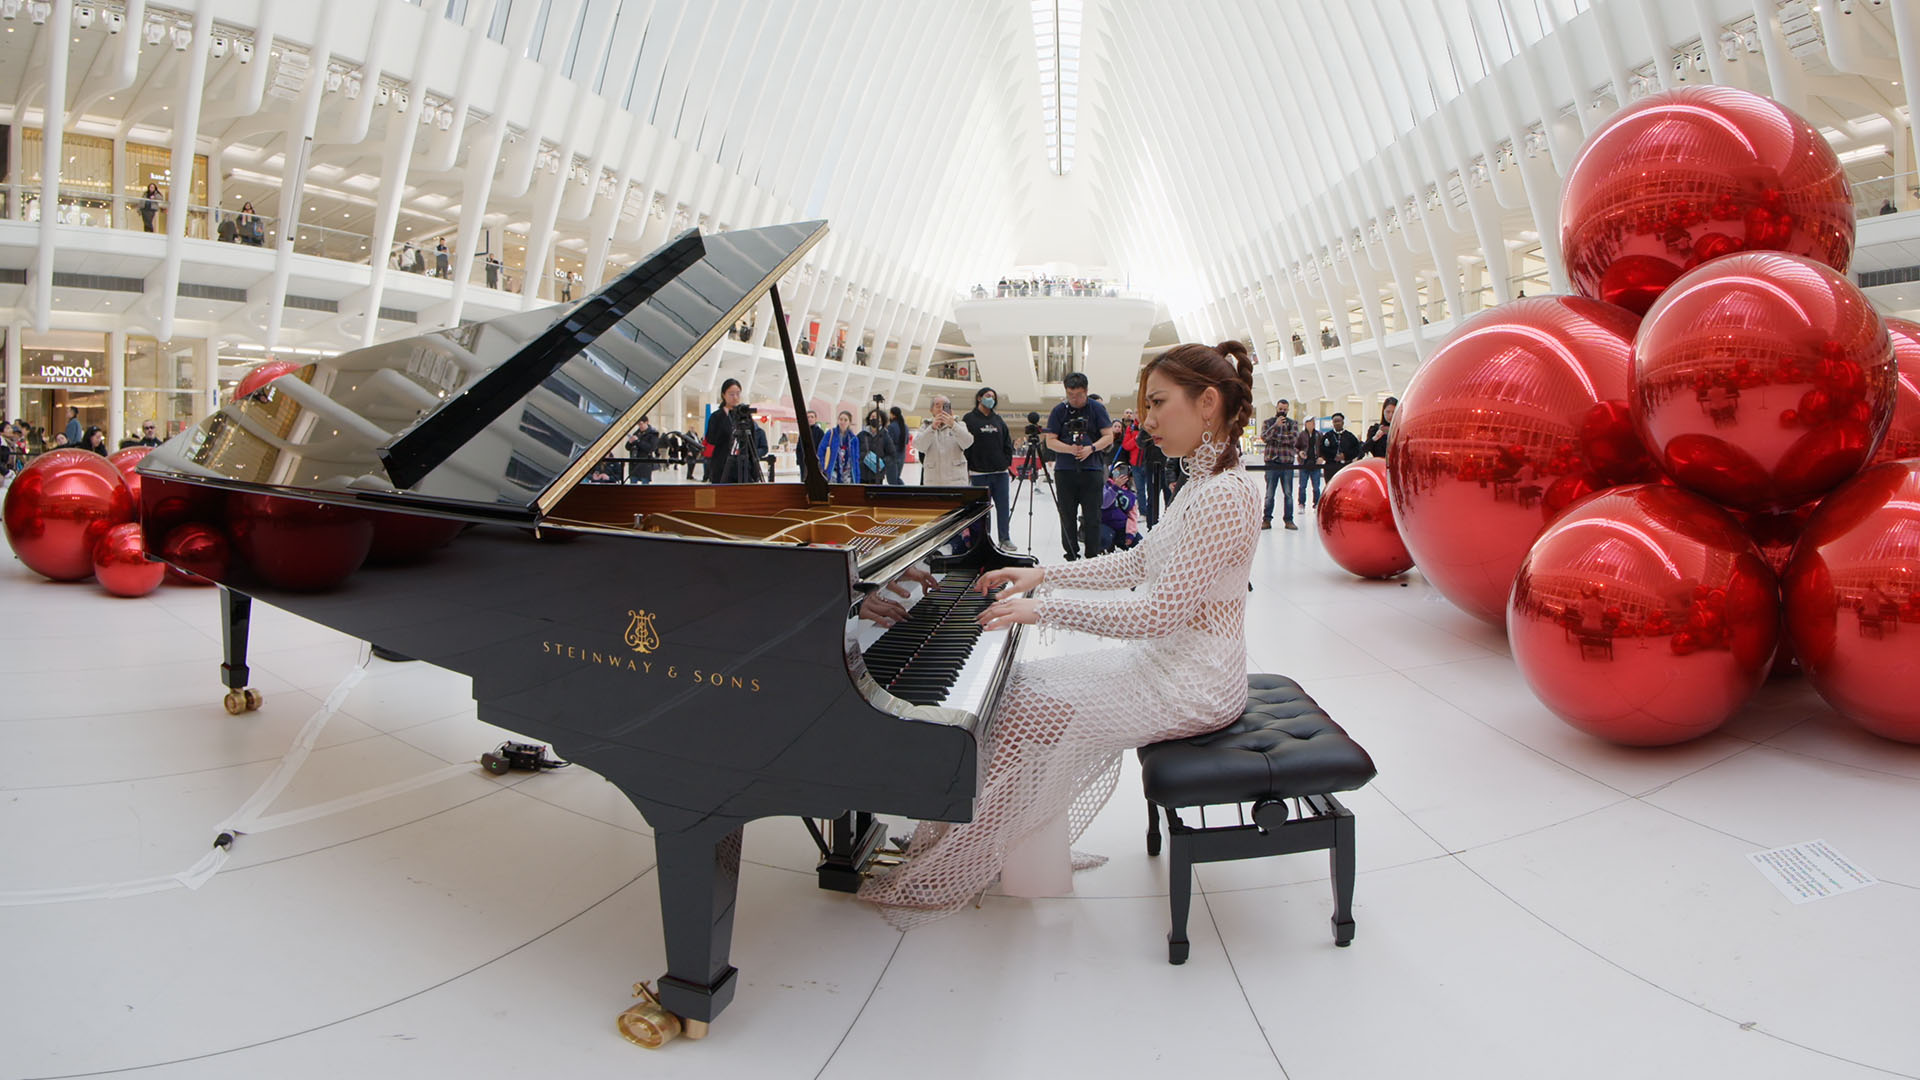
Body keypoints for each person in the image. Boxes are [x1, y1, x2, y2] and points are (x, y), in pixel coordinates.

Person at [859, 339, 1263, 926]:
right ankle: (984, 846)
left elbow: (1158, 614)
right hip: (1168, 664)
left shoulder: (1224, 495)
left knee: (1021, 709)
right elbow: (1134, 564)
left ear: (1207, 404)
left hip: (1196, 681)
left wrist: (1042, 609)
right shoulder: (1200, 485)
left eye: (1157, 403)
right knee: (1011, 691)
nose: (1145, 420)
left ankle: (975, 855)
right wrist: (1040, 575)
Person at [1045, 372, 1117, 560]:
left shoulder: (1097, 409)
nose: (1074, 399)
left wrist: (1091, 448)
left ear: (1086, 391)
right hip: (1065, 471)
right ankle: (1070, 553)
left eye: (1078, 395)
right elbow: (1050, 441)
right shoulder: (1059, 410)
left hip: (1091, 469)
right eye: (1070, 395)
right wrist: (1069, 449)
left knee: (1092, 515)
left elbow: (1109, 436)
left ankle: (1092, 554)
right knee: (1067, 515)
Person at [961, 386, 1016, 550]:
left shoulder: (998, 420)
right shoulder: (969, 419)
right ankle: (982, 540)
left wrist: (1006, 462)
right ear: (979, 398)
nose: (990, 399)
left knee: (1003, 508)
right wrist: (970, 465)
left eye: (993, 396)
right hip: (979, 473)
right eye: (987, 396)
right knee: (981, 511)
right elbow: (965, 444)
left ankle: (1005, 539)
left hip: (1000, 473)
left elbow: (1007, 443)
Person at [703, 379, 757, 483]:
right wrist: (725, 416)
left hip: (743, 466)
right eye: (731, 394)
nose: (735, 397)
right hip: (722, 466)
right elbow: (711, 439)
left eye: (738, 394)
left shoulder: (745, 416)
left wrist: (753, 467)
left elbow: (752, 441)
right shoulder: (717, 416)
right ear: (724, 395)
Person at [1259, 400, 1300, 530]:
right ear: (1276, 408)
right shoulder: (1268, 422)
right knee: (1269, 494)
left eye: (1285, 409)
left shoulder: (1293, 423)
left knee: (1288, 494)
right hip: (1271, 463)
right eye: (1280, 408)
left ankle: (1289, 520)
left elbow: (1293, 440)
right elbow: (1264, 437)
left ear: (1288, 410)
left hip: (1287, 463)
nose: (1282, 411)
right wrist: (1275, 426)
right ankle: (1266, 520)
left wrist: (1276, 437)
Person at [916, 395, 973, 487]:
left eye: (945, 406)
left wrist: (953, 425)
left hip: (956, 481)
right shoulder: (925, 426)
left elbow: (967, 443)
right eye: (937, 406)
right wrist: (932, 428)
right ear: (931, 410)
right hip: (933, 482)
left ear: (950, 409)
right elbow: (919, 446)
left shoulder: (960, 424)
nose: (941, 409)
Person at [1099, 463, 1141, 551]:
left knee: (1140, 544)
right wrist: (1115, 487)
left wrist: (1130, 533)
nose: (1120, 474)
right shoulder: (1104, 486)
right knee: (1104, 539)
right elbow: (1104, 503)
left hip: (1122, 526)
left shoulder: (1131, 494)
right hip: (1104, 523)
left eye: (1124, 471)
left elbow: (1132, 515)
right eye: (1117, 471)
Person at [1320, 413, 1362, 485]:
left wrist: (1345, 456)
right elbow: (1322, 450)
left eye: (1338, 421)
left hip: (1345, 467)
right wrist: (1334, 456)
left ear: (1343, 422)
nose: (1337, 423)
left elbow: (1357, 450)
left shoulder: (1350, 436)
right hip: (1331, 467)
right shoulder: (1327, 436)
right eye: (1335, 422)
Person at [820, 410, 862, 482]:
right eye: (841, 419)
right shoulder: (830, 434)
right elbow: (821, 451)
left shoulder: (854, 439)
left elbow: (856, 459)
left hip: (848, 473)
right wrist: (823, 468)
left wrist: (857, 477)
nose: (842, 422)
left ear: (849, 422)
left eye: (845, 420)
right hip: (832, 471)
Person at [859, 408, 896, 485]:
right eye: (872, 416)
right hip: (862, 474)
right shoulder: (861, 435)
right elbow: (855, 451)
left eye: (877, 417)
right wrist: (863, 457)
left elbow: (892, 454)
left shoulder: (885, 436)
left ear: (882, 421)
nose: (874, 419)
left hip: (877, 475)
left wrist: (882, 462)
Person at [1295, 417, 1324, 509]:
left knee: (1316, 486)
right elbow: (1296, 447)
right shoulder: (1301, 435)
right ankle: (1301, 503)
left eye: (1313, 422)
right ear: (1306, 424)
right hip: (1304, 463)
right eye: (1311, 422)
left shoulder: (1319, 434)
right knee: (1302, 485)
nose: (1313, 424)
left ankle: (1316, 503)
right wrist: (1300, 453)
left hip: (1315, 464)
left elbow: (1323, 448)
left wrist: (1322, 457)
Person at [624, 416, 659, 484]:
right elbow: (627, 447)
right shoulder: (636, 433)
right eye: (639, 424)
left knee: (644, 485)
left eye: (641, 424)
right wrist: (630, 442)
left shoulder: (653, 434)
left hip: (645, 464)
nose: (640, 426)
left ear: (647, 422)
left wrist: (638, 441)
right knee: (633, 484)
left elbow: (651, 448)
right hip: (634, 464)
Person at [885, 406, 909, 485]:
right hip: (902, 455)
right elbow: (907, 441)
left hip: (892, 456)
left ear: (893, 415)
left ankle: (904, 493)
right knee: (896, 478)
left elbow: (888, 443)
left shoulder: (891, 427)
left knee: (892, 481)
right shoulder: (905, 427)